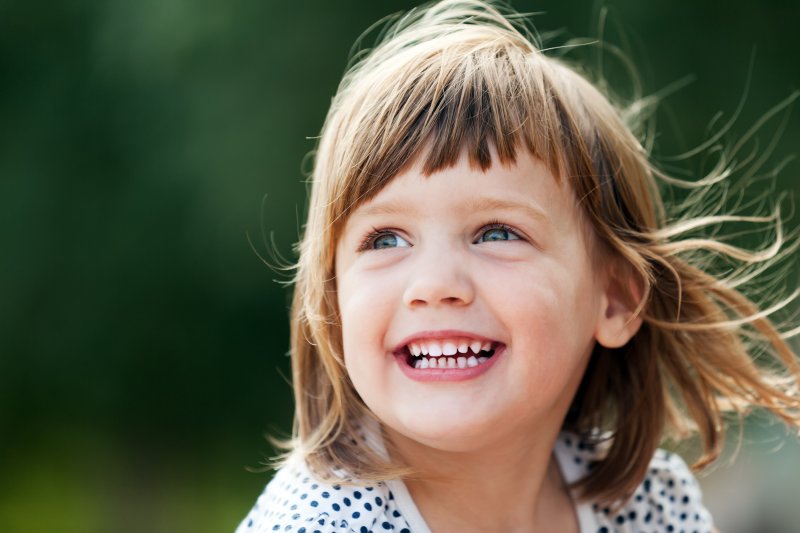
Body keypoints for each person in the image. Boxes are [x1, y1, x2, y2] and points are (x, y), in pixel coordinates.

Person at [236, 1, 800, 531]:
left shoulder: (648, 506)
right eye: (385, 239)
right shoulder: (318, 524)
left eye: (496, 232)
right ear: (331, 299)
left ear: (616, 298)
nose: (433, 286)